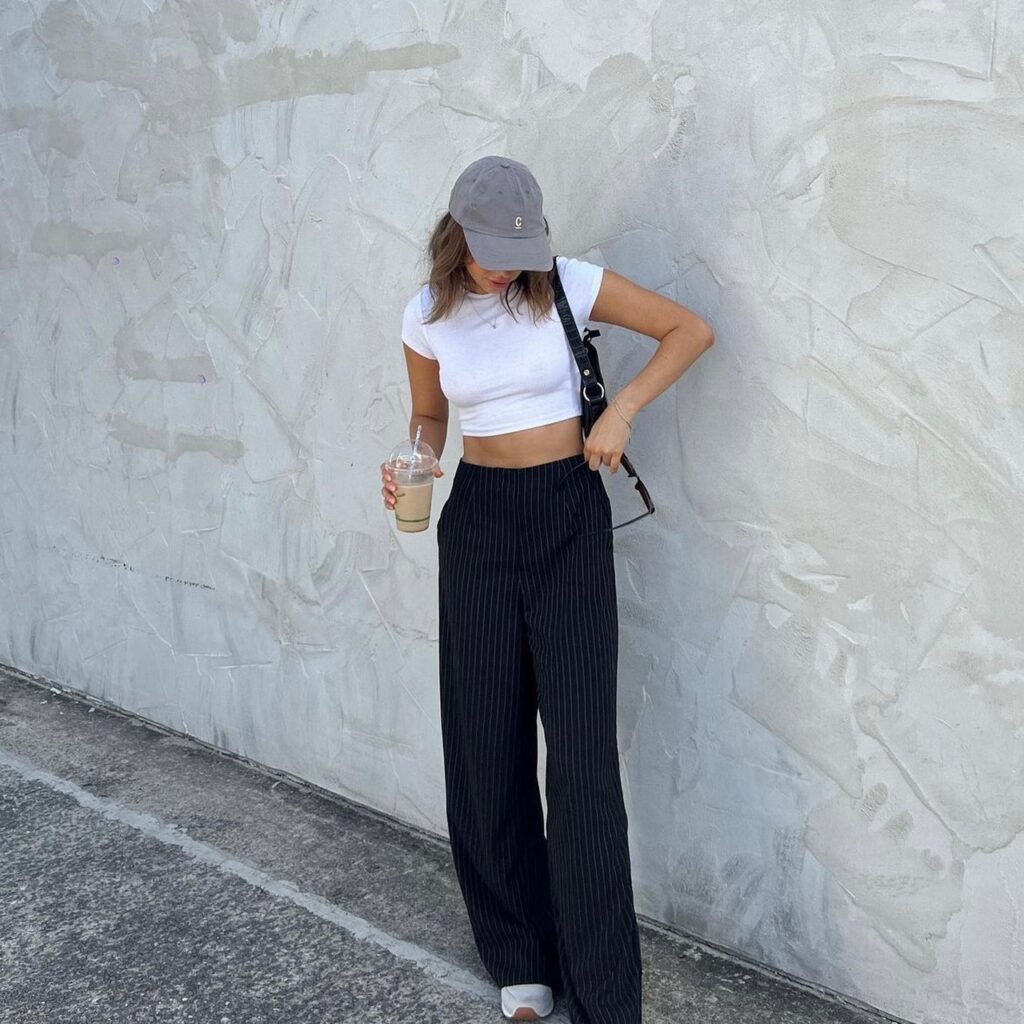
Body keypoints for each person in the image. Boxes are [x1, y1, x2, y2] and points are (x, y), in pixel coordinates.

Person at [380, 156, 714, 1024]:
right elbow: (432, 418)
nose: (503, 266)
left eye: (515, 250)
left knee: (582, 763)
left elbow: (689, 330)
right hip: (479, 521)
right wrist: (412, 461)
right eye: (489, 250)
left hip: (567, 514)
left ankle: (606, 994)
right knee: (484, 748)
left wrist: (622, 408)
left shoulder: (567, 283)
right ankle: (521, 962)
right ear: (455, 236)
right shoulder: (425, 315)